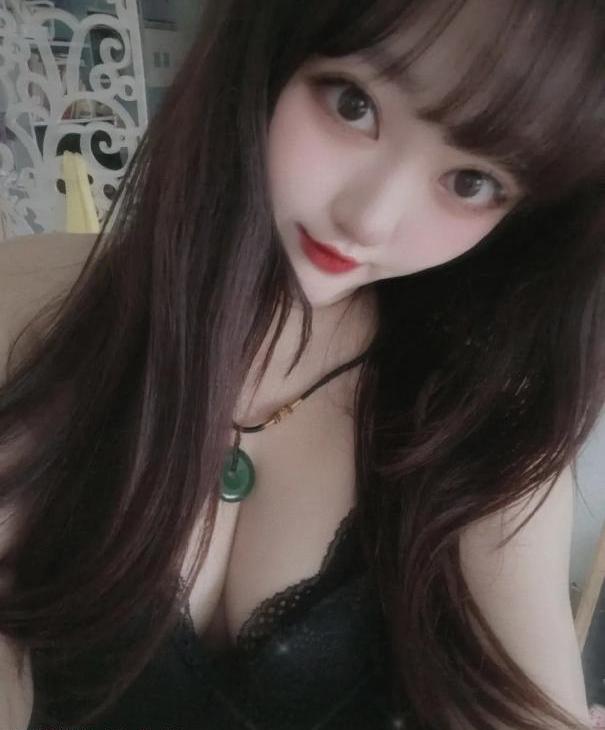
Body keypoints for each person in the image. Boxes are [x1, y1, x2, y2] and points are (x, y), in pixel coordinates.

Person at [0, 0, 603, 728]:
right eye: (353, 104)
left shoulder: (483, 414)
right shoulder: (27, 302)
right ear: (268, 50)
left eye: (472, 181)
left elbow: (527, 701)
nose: (368, 218)